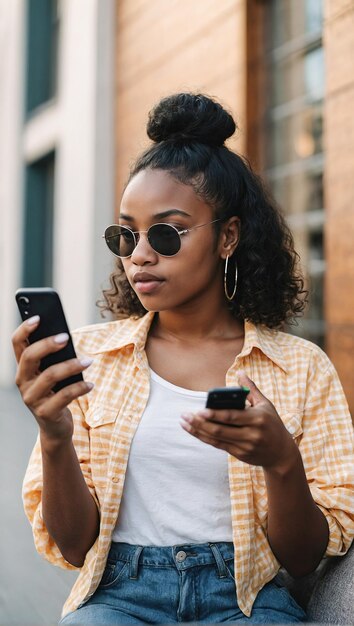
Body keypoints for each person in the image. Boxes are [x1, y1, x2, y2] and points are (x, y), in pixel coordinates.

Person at [13, 93, 354, 625]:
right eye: (125, 235)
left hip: (245, 600)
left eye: (167, 233)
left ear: (229, 236)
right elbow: (76, 549)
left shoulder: (300, 368)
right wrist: (54, 437)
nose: (140, 254)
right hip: (119, 596)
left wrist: (280, 462)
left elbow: (305, 558)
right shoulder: (91, 360)